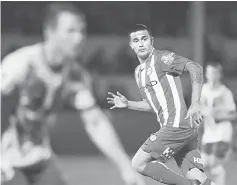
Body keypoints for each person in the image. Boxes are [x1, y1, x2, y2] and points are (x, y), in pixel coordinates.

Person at [1, 3, 145, 185]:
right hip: (6, 160)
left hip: (38, 158)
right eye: (70, 31)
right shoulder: (20, 65)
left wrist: (126, 168)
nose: (78, 38)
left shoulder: (75, 76)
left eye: (82, 31)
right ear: (49, 32)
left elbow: (95, 122)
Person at [107, 24, 216, 185]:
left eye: (144, 39)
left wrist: (195, 103)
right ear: (131, 45)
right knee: (198, 177)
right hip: (183, 129)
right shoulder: (139, 72)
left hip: (177, 125)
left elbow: (196, 68)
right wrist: (128, 104)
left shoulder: (162, 58)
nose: (141, 43)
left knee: (138, 163)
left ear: (152, 40)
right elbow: (152, 104)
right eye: (136, 40)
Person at [200, 62, 237, 185]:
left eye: (215, 73)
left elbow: (234, 114)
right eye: (210, 72)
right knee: (204, 165)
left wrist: (219, 117)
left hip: (222, 134)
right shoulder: (204, 89)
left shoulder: (225, 93)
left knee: (215, 164)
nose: (212, 76)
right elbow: (201, 108)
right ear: (206, 74)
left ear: (220, 75)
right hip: (209, 134)